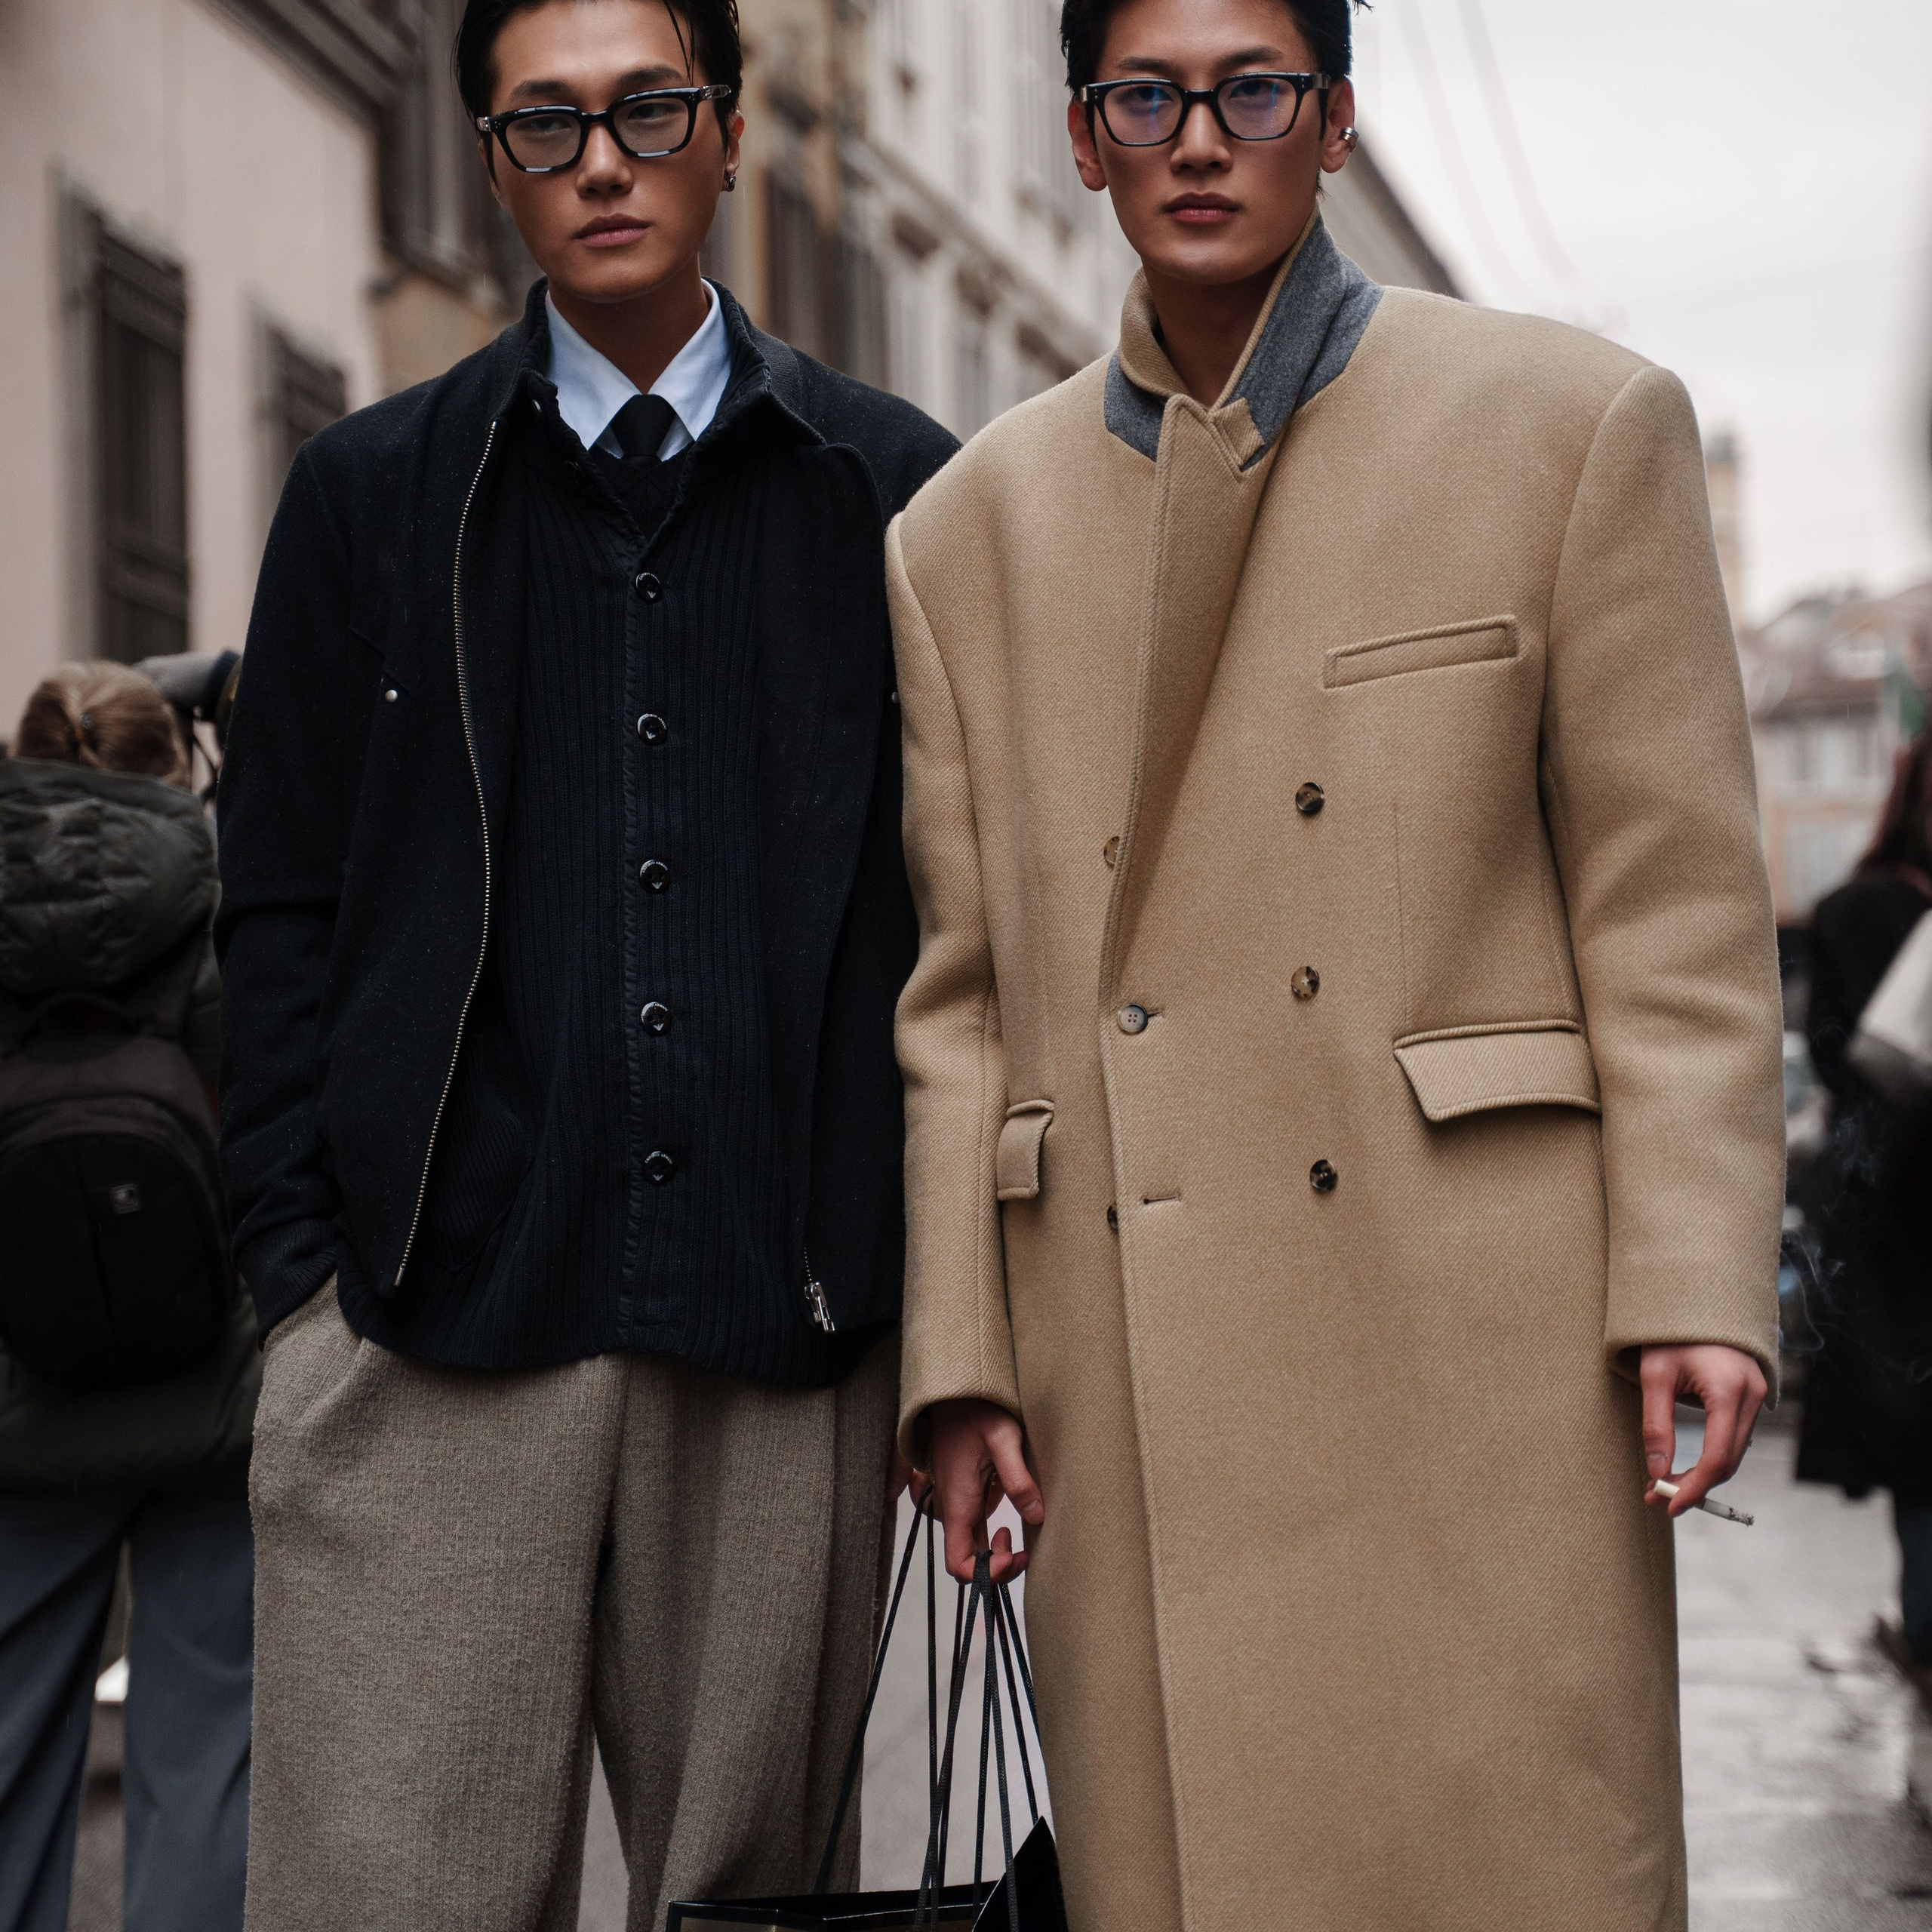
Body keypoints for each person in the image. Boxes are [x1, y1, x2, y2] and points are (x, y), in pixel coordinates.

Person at [886, 1, 1784, 1926]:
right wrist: (956, 1353)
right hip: (1130, 1333)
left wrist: (1695, 1274)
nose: (1196, 137)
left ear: (1336, 122)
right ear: (1077, 137)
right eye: (1145, 94)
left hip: (1474, 1322)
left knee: (1515, 1854)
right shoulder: (965, 530)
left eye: (1250, 90)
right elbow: (956, 1001)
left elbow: (1673, 913)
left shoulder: (1567, 425)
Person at [214, 0, 955, 1925]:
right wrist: (301, 1271)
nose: (600, 160)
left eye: (645, 110)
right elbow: (278, 897)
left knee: (748, 1901)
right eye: (544, 126)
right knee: (387, 1893)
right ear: (489, 162)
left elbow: (975, 924)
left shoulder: (894, 492)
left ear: (725, 134)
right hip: (420, 1321)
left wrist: (930, 1301)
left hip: (782, 1334)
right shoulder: (372, 493)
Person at [0, 663, 256, 1932]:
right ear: (177, 764)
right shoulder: (227, 903)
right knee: (207, 1767)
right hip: (210, 1395)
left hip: (21, 1402)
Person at [1798, 731, 1932, 1678]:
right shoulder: (1865, 911)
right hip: (1903, 1222)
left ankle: (1924, 1631)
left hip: (1888, 1219)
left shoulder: (1850, 909)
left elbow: (1834, 1061)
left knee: (1916, 1449)